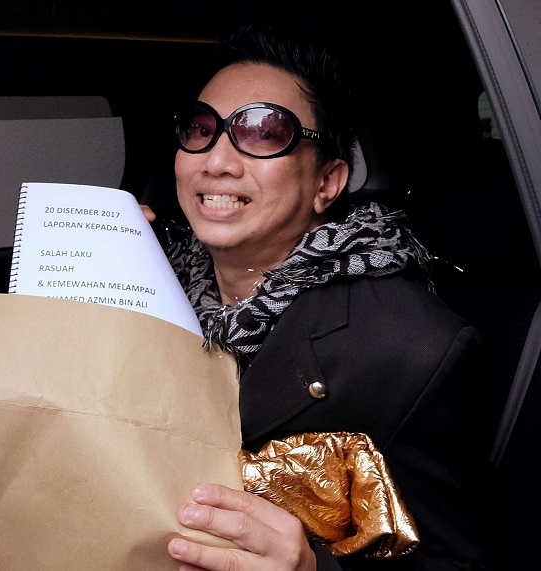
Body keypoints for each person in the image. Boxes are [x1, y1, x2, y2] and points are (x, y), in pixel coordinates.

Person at [142, 25, 496, 571]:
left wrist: (312, 568)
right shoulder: (144, 280)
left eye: (263, 133)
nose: (216, 161)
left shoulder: (413, 348)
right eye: (201, 130)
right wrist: (105, 272)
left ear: (327, 181)